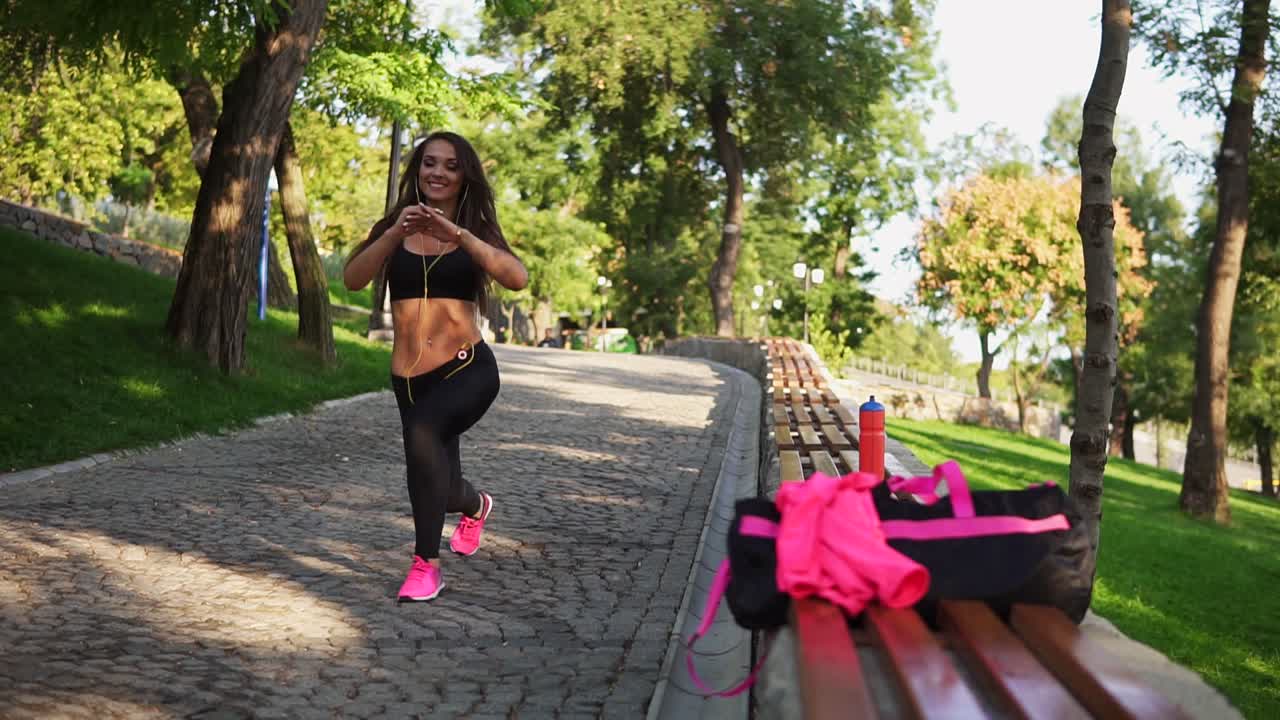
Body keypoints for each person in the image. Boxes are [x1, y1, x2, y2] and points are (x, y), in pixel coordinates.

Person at [344, 131, 528, 602]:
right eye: (430, 163)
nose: (438, 173)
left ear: (464, 175)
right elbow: (352, 278)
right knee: (441, 490)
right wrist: (393, 234)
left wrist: (459, 236)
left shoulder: (475, 227)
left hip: (467, 369)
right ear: (417, 170)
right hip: (408, 380)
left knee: (422, 435)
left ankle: (425, 566)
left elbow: (516, 277)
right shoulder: (396, 223)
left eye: (450, 165)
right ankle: (475, 505)